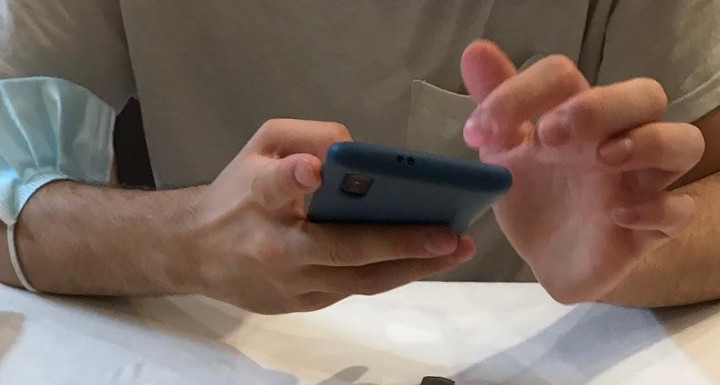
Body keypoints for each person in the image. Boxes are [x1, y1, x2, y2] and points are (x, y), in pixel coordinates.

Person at [0, 1, 718, 311]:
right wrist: (188, 243)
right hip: (217, 370)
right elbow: (11, 211)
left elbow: (703, 191)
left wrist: (629, 251)